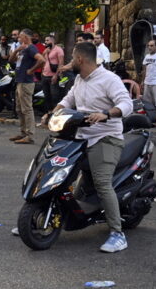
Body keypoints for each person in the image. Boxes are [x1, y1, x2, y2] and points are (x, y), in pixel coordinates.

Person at [55, 41, 132, 252]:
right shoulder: (80, 79)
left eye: (72, 57)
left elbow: (127, 104)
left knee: (102, 183)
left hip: (106, 137)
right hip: (80, 137)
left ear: (80, 59)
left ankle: (118, 234)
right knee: (59, 173)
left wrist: (106, 114)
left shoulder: (109, 79)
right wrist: (55, 110)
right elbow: (68, 99)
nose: (70, 61)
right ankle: (48, 216)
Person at [8, 29, 45, 144]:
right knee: (19, 109)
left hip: (26, 82)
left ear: (26, 37)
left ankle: (30, 135)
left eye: (20, 36)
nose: (18, 38)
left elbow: (41, 60)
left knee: (27, 109)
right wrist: (16, 50)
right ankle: (23, 132)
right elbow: (11, 60)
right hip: (20, 81)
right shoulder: (23, 49)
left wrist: (31, 70)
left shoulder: (31, 48)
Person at [41, 35, 64, 121]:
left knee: (54, 95)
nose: (46, 42)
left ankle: (55, 114)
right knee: (47, 96)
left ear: (52, 41)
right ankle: (48, 113)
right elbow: (43, 60)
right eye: (45, 40)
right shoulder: (46, 50)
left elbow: (61, 63)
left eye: (47, 40)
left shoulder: (58, 50)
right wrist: (45, 52)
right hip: (45, 75)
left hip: (53, 76)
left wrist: (56, 75)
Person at [141, 39, 156, 108]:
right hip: (147, 82)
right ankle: (149, 117)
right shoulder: (147, 56)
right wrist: (142, 82)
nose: (149, 47)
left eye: (152, 46)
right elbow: (144, 70)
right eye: (148, 46)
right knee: (147, 103)